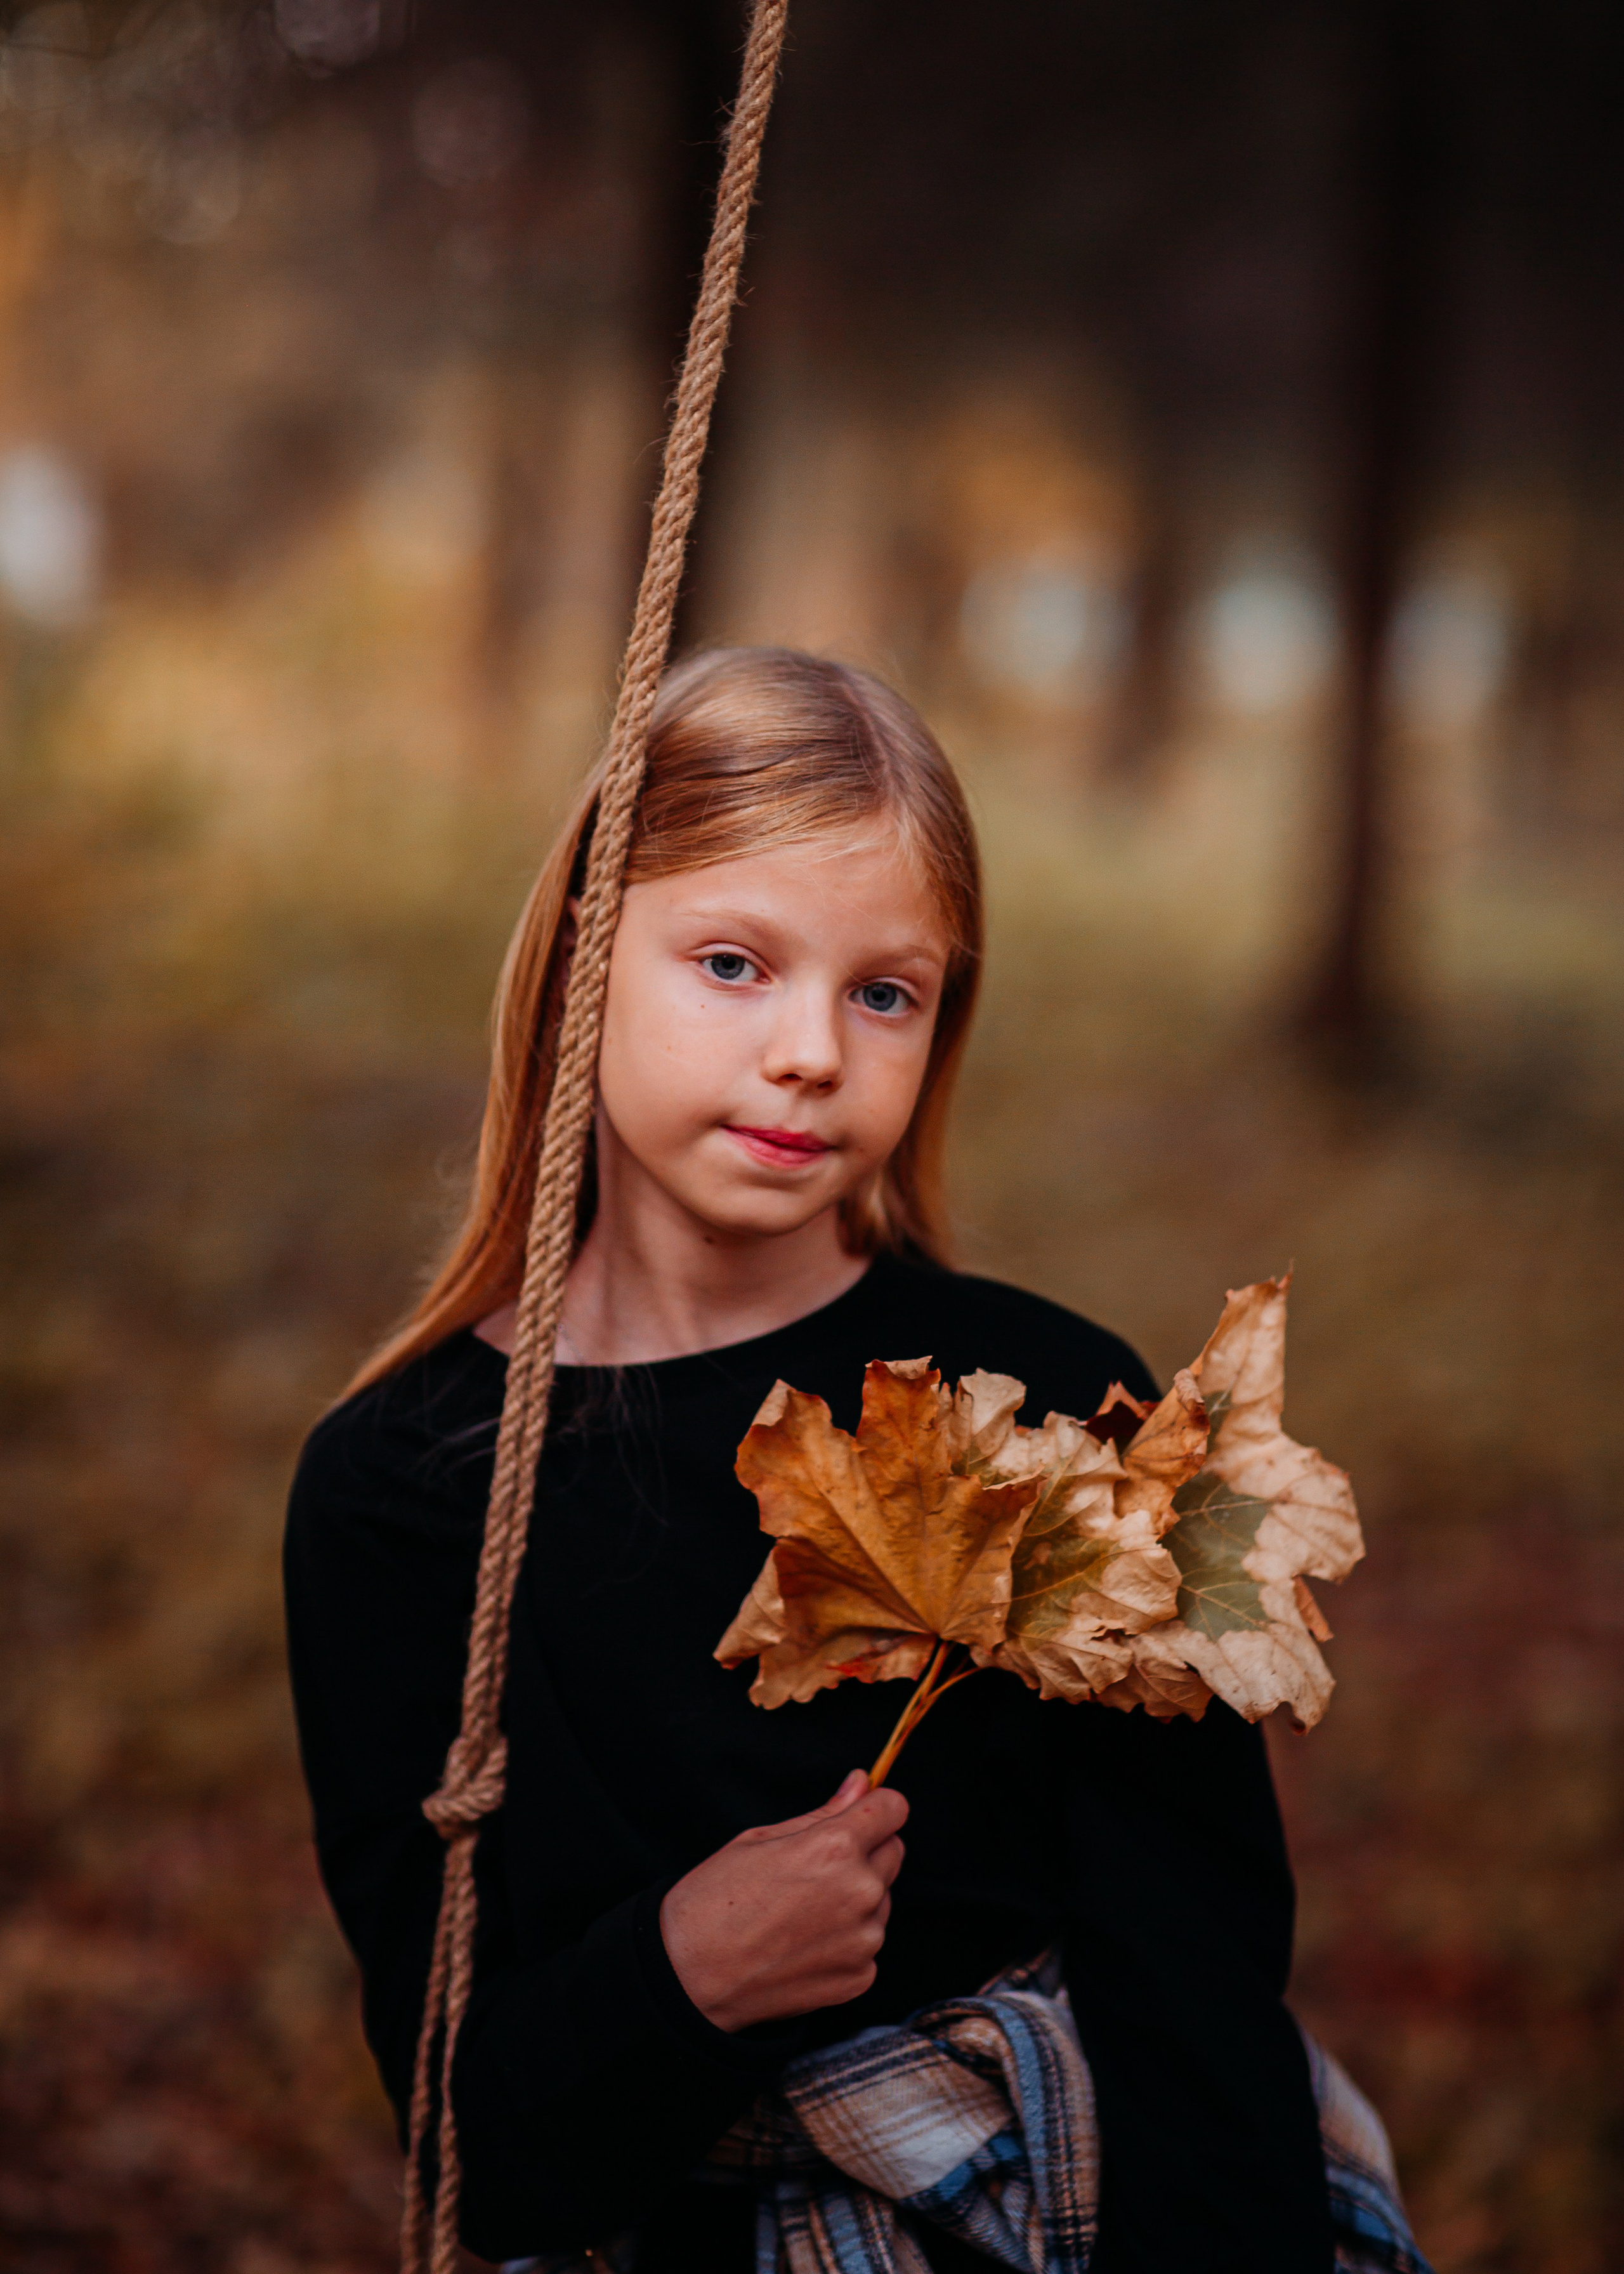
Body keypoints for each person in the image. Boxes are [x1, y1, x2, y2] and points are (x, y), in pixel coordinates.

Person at [283, 647, 1334, 2272]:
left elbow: (1199, 1996)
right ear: (580, 961)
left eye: (882, 992)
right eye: (731, 963)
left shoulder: (1053, 1409)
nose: (810, 1052)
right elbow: (477, 2154)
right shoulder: (408, 1488)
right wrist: (682, 1972)